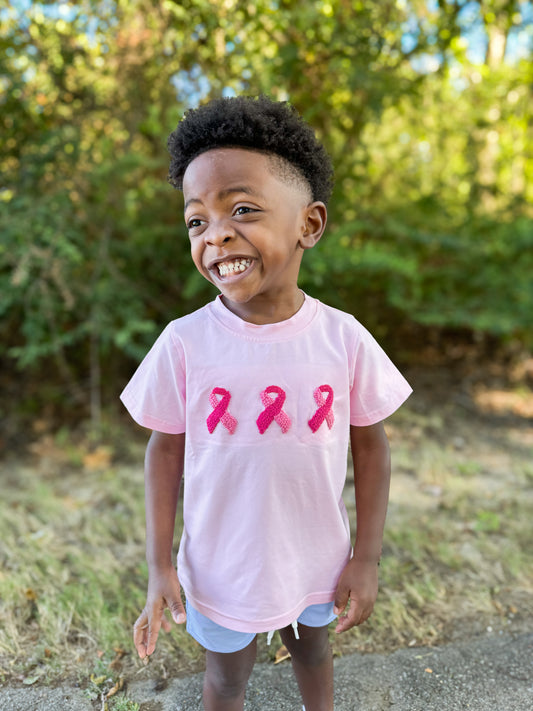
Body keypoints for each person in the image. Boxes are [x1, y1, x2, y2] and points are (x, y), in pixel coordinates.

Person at [120, 95, 412, 711]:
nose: (216, 233)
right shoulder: (185, 343)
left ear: (309, 223)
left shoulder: (343, 337)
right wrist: (158, 565)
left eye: (243, 209)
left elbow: (371, 445)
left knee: (314, 657)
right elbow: (164, 451)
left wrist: (367, 558)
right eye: (196, 221)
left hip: (317, 561)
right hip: (222, 566)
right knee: (226, 680)